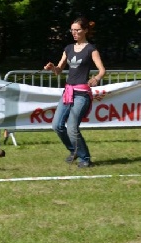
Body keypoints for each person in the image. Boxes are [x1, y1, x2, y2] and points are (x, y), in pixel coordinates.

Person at [44, 17, 105, 168]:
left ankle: (85, 159)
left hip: (81, 94)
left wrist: (96, 78)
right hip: (68, 92)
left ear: (85, 30)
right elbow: (59, 70)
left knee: (72, 127)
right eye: (72, 30)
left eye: (77, 30)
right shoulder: (68, 49)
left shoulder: (91, 49)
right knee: (57, 125)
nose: (74, 33)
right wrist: (52, 68)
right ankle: (74, 150)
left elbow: (102, 70)